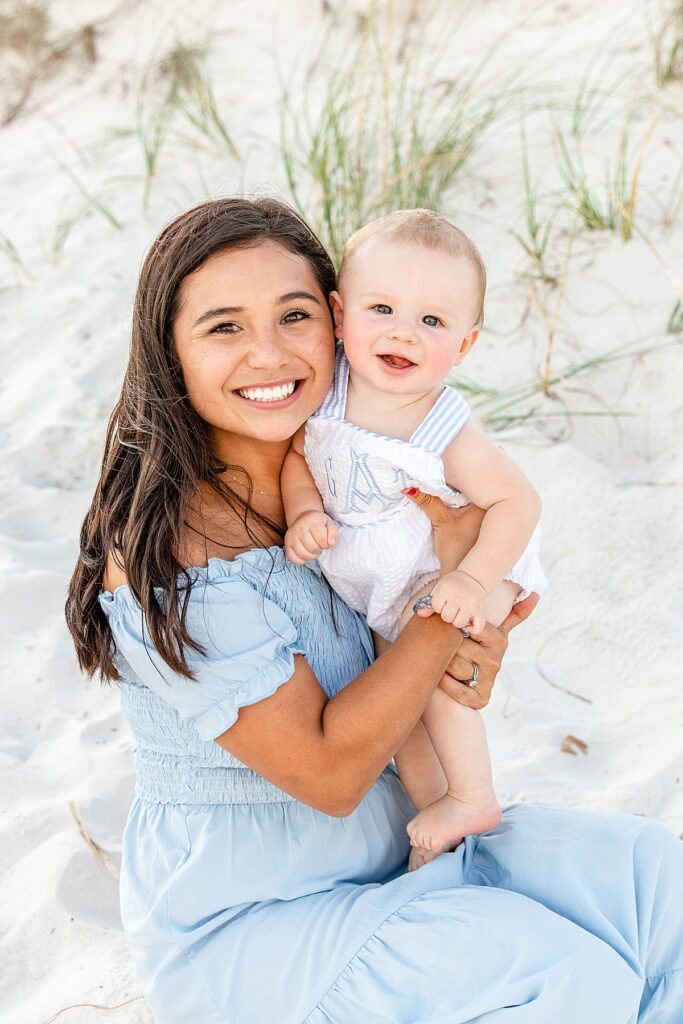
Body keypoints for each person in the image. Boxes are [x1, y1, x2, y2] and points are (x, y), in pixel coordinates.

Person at [65, 196, 683, 1024]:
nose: (268, 353)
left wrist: (471, 637)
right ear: (169, 353)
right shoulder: (175, 553)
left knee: (653, 885)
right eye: (223, 328)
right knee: (559, 974)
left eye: (293, 316)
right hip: (257, 920)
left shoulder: (352, 466)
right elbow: (329, 772)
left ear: (336, 320)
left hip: (399, 844)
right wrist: (449, 597)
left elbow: (443, 663)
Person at [281, 209, 547, 868]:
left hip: (455, 568)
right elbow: (297, 457)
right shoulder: (329, 391)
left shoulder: (439, 425)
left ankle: (473, 794)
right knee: (399, 707)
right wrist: (303, 510)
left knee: (431, 683)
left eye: (432, 321)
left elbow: (518, 501)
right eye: (382, 309)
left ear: (464, 345)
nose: (404, 332)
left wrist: (471, 578)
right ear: (338, 316)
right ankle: (442, 819)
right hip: (384, 584)